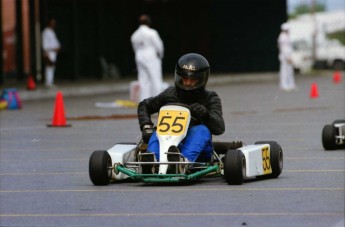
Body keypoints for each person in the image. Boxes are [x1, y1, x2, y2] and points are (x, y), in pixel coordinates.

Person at [137, 53, 225, 172]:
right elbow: (144, 105)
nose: (187, 82)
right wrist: (146, 125)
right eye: (185, 78)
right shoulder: (170, 94)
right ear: (179, 76)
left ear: (201, 79)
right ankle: (152, 162)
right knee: (157, 132)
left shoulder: (210, 97)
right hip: (168, 141)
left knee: (202, 130)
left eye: (192, 79)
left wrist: (206, 115)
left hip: (197, 148)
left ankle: (182, 162)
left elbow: (219, 128)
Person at [131, 14, 164, 101]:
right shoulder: (152, 32)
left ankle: (144, 101)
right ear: (148, 22)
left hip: (139, 56)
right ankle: (157, 100)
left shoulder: (135, 35)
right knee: (155, 78)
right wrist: (160, 55)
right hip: (151, 55)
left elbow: (134, 47)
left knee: (143, 80)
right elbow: (159, 45)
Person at [42, 18, 61, 88]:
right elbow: (45, 44)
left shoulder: (52, 32)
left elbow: (55, 42)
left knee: (52, 67)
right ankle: (48, 82)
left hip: (53, 52)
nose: (53, 24)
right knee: (49, 66)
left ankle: (50, 81)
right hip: (49, 51)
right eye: (52, 22)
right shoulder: (46, 32)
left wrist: (58, 47)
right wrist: (46, 52)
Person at [278, 23, 296, 91]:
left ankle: (291, 84)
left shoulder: (287, 36)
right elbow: (284, 49)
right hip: (285, 56)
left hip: (288, 55)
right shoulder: (283, 37)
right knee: (285, 71)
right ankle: (284, 85)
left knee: (290, 71)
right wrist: (287, 58)